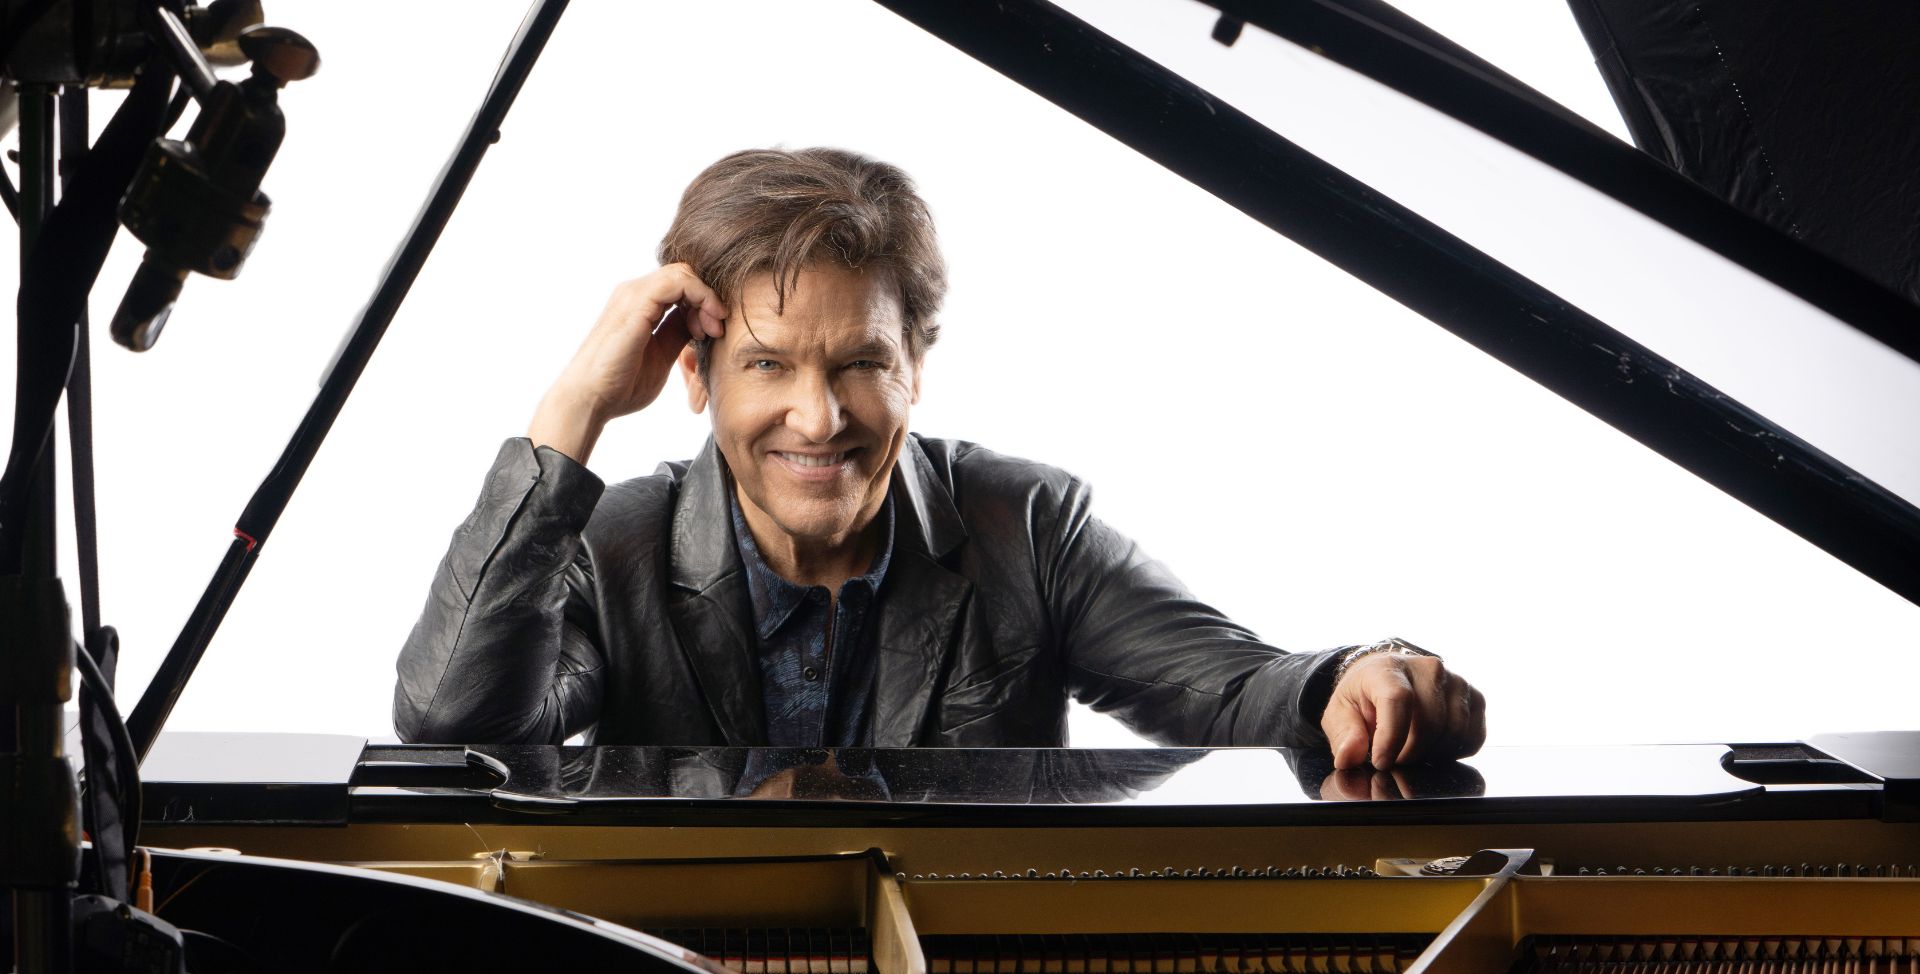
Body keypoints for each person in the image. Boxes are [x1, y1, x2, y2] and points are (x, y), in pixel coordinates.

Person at [393, 148, 1486, 769]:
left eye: (861, 364)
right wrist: (571, 413)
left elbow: (1240, 689)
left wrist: (1356, 672)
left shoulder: (1028, 527)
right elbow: (455, 728)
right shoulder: (607, 543)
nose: (818, 420)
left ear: (918, 361)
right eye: (769, 367)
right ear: (695, 372)